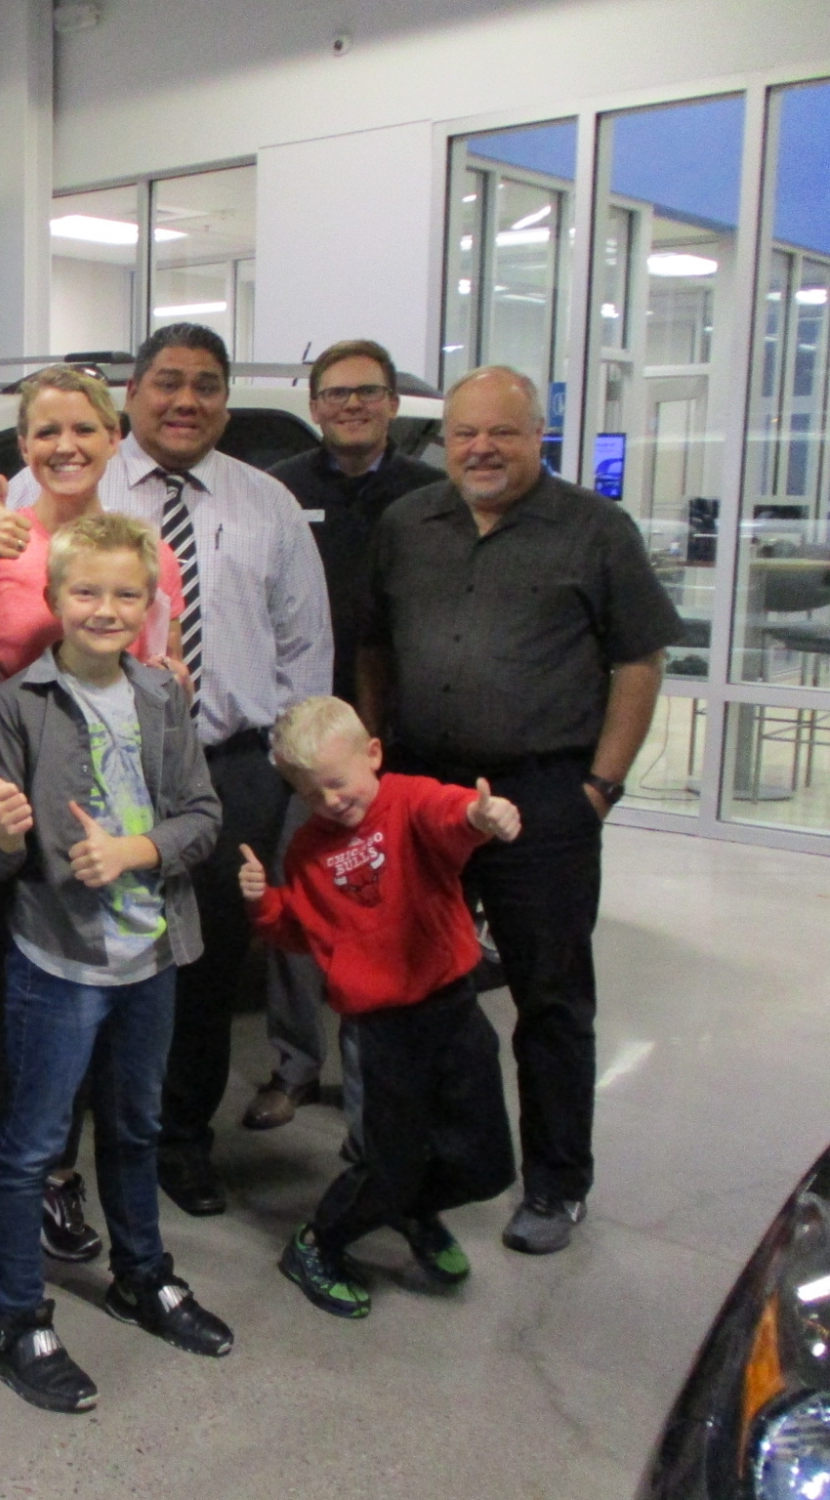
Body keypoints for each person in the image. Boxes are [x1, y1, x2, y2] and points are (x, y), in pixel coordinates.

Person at [6, 324, 332, 1217]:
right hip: (86, 769)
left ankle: (179, 1142)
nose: (187, 400)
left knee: (203, 967)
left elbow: (305, 645)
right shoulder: (72, 482)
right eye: (168, 382)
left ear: (225, 399)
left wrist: (291, 773)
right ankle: (66, 1161)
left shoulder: (267, 503)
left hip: (228, 768)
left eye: (207, 384)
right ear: (132, 397)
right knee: (83, 963)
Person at [358, 365, 680, 1255]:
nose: (481, 449)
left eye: (502, 432)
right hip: (425, 790)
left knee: (550, 997)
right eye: (465, 433)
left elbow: (640, 661)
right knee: (414, 986)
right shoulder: (407, 524)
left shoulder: (595, 529)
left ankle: (556, 1183)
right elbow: (375, 645)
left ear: (539, 435)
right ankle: (421, 1163)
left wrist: (599, 788)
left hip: (544, 794)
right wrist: (376, 756)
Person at [0, 514, 226, 1413]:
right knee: (32, 1142)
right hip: (59, 960)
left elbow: (202, 815)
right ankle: (14, 1314)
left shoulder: (162, 697)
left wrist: (133, 853)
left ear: (150, 604)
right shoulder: (18, 703)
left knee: (136, 1125)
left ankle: (141, 1275)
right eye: (86, 592)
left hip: (151, 954)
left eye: (125, 594)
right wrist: (4, 835)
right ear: (54, 598)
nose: (105, 609)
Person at [0, 366, 186, 1309]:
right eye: (46, 431)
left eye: (84, 428)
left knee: (91, 1017)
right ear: (23, 445)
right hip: (3, 807)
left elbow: (155, 675)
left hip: (105, 836)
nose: (65, 446)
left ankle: (53, 1178)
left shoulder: (137, 550)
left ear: (115, 436)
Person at [239, 696, 519, 1317]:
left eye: (338, 782)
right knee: (390, 1163)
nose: (331, 801)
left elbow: (450, 817)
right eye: (312, 793)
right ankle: (317, 1243)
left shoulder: (410, 800)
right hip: (380, 1030)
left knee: (487, 1163)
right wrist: (264, 904)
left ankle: (412, 1209)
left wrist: (480, 815)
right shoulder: (307, 849)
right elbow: (301, 931)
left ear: (373, 754)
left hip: (453, 1008)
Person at [245, 341, 446, 1133]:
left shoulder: (430, 495)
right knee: (300, 896)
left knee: (387, 911)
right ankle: (295, 1064)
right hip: (300, 734)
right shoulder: (279, 489)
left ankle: (385, 1080)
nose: (351, 406)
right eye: (335, 393)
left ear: (392, 403)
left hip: (393, 736)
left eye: (366, 392)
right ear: (314, 404)